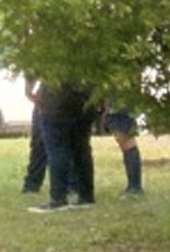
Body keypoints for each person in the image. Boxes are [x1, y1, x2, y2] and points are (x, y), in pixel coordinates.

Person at [27, 80, 95, 213]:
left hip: (55, 102)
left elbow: (33, 67)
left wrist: (31, 92)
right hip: (84, 98)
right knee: (82, 149)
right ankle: (86, 195)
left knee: (57, 149)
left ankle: (58, 197)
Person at [104, 102, 145, 197]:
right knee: (124, 141)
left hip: (119, 105)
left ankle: (135, 187)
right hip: (117, 105)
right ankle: (134, 186)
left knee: (126, 141)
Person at [21, 76, 47, 195]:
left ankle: (32, 184)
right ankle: (72, 185)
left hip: (48, 97)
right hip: (49, 97)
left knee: (39, 145)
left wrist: (30, 93)